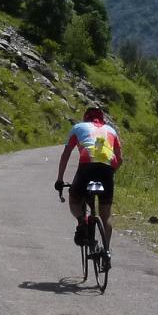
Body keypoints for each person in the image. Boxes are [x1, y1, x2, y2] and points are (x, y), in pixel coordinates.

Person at [55, 105, 123, 254]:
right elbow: (120, 159)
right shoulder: (112, 131)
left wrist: (60, 179)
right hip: (107, 166)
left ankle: (82, 221)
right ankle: (106, 252)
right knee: (106, 214)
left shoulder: (78, 127)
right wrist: (111, 173)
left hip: (87, 163)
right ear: (102, 119)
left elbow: (65, 155)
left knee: (74, 198)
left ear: (85, 118)